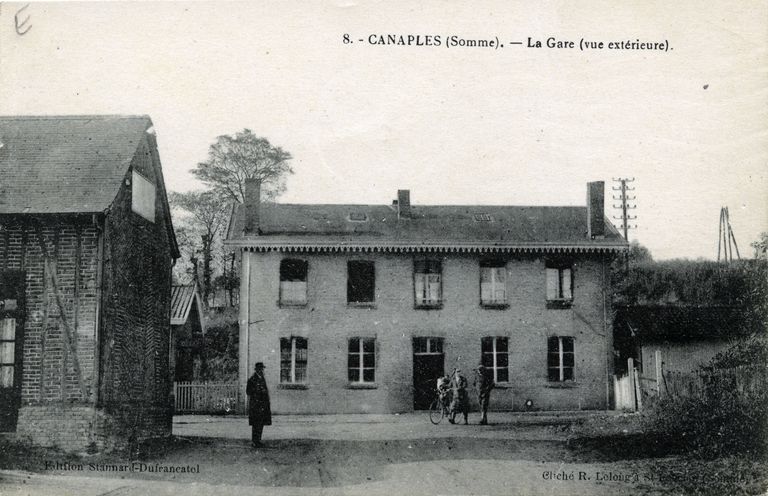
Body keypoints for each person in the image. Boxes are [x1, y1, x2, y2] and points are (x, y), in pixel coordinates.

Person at [246, 362, 272, 447]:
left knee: (260, 423)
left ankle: (258, 440)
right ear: (257, 369)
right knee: (256, 424)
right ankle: (254, 441)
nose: (262, 370)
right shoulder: (252, 379)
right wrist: (257, 392)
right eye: (260, 369)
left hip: (262, 406)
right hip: (256, 405)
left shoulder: (262, 378)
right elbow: (248, 392)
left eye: (262, 369)